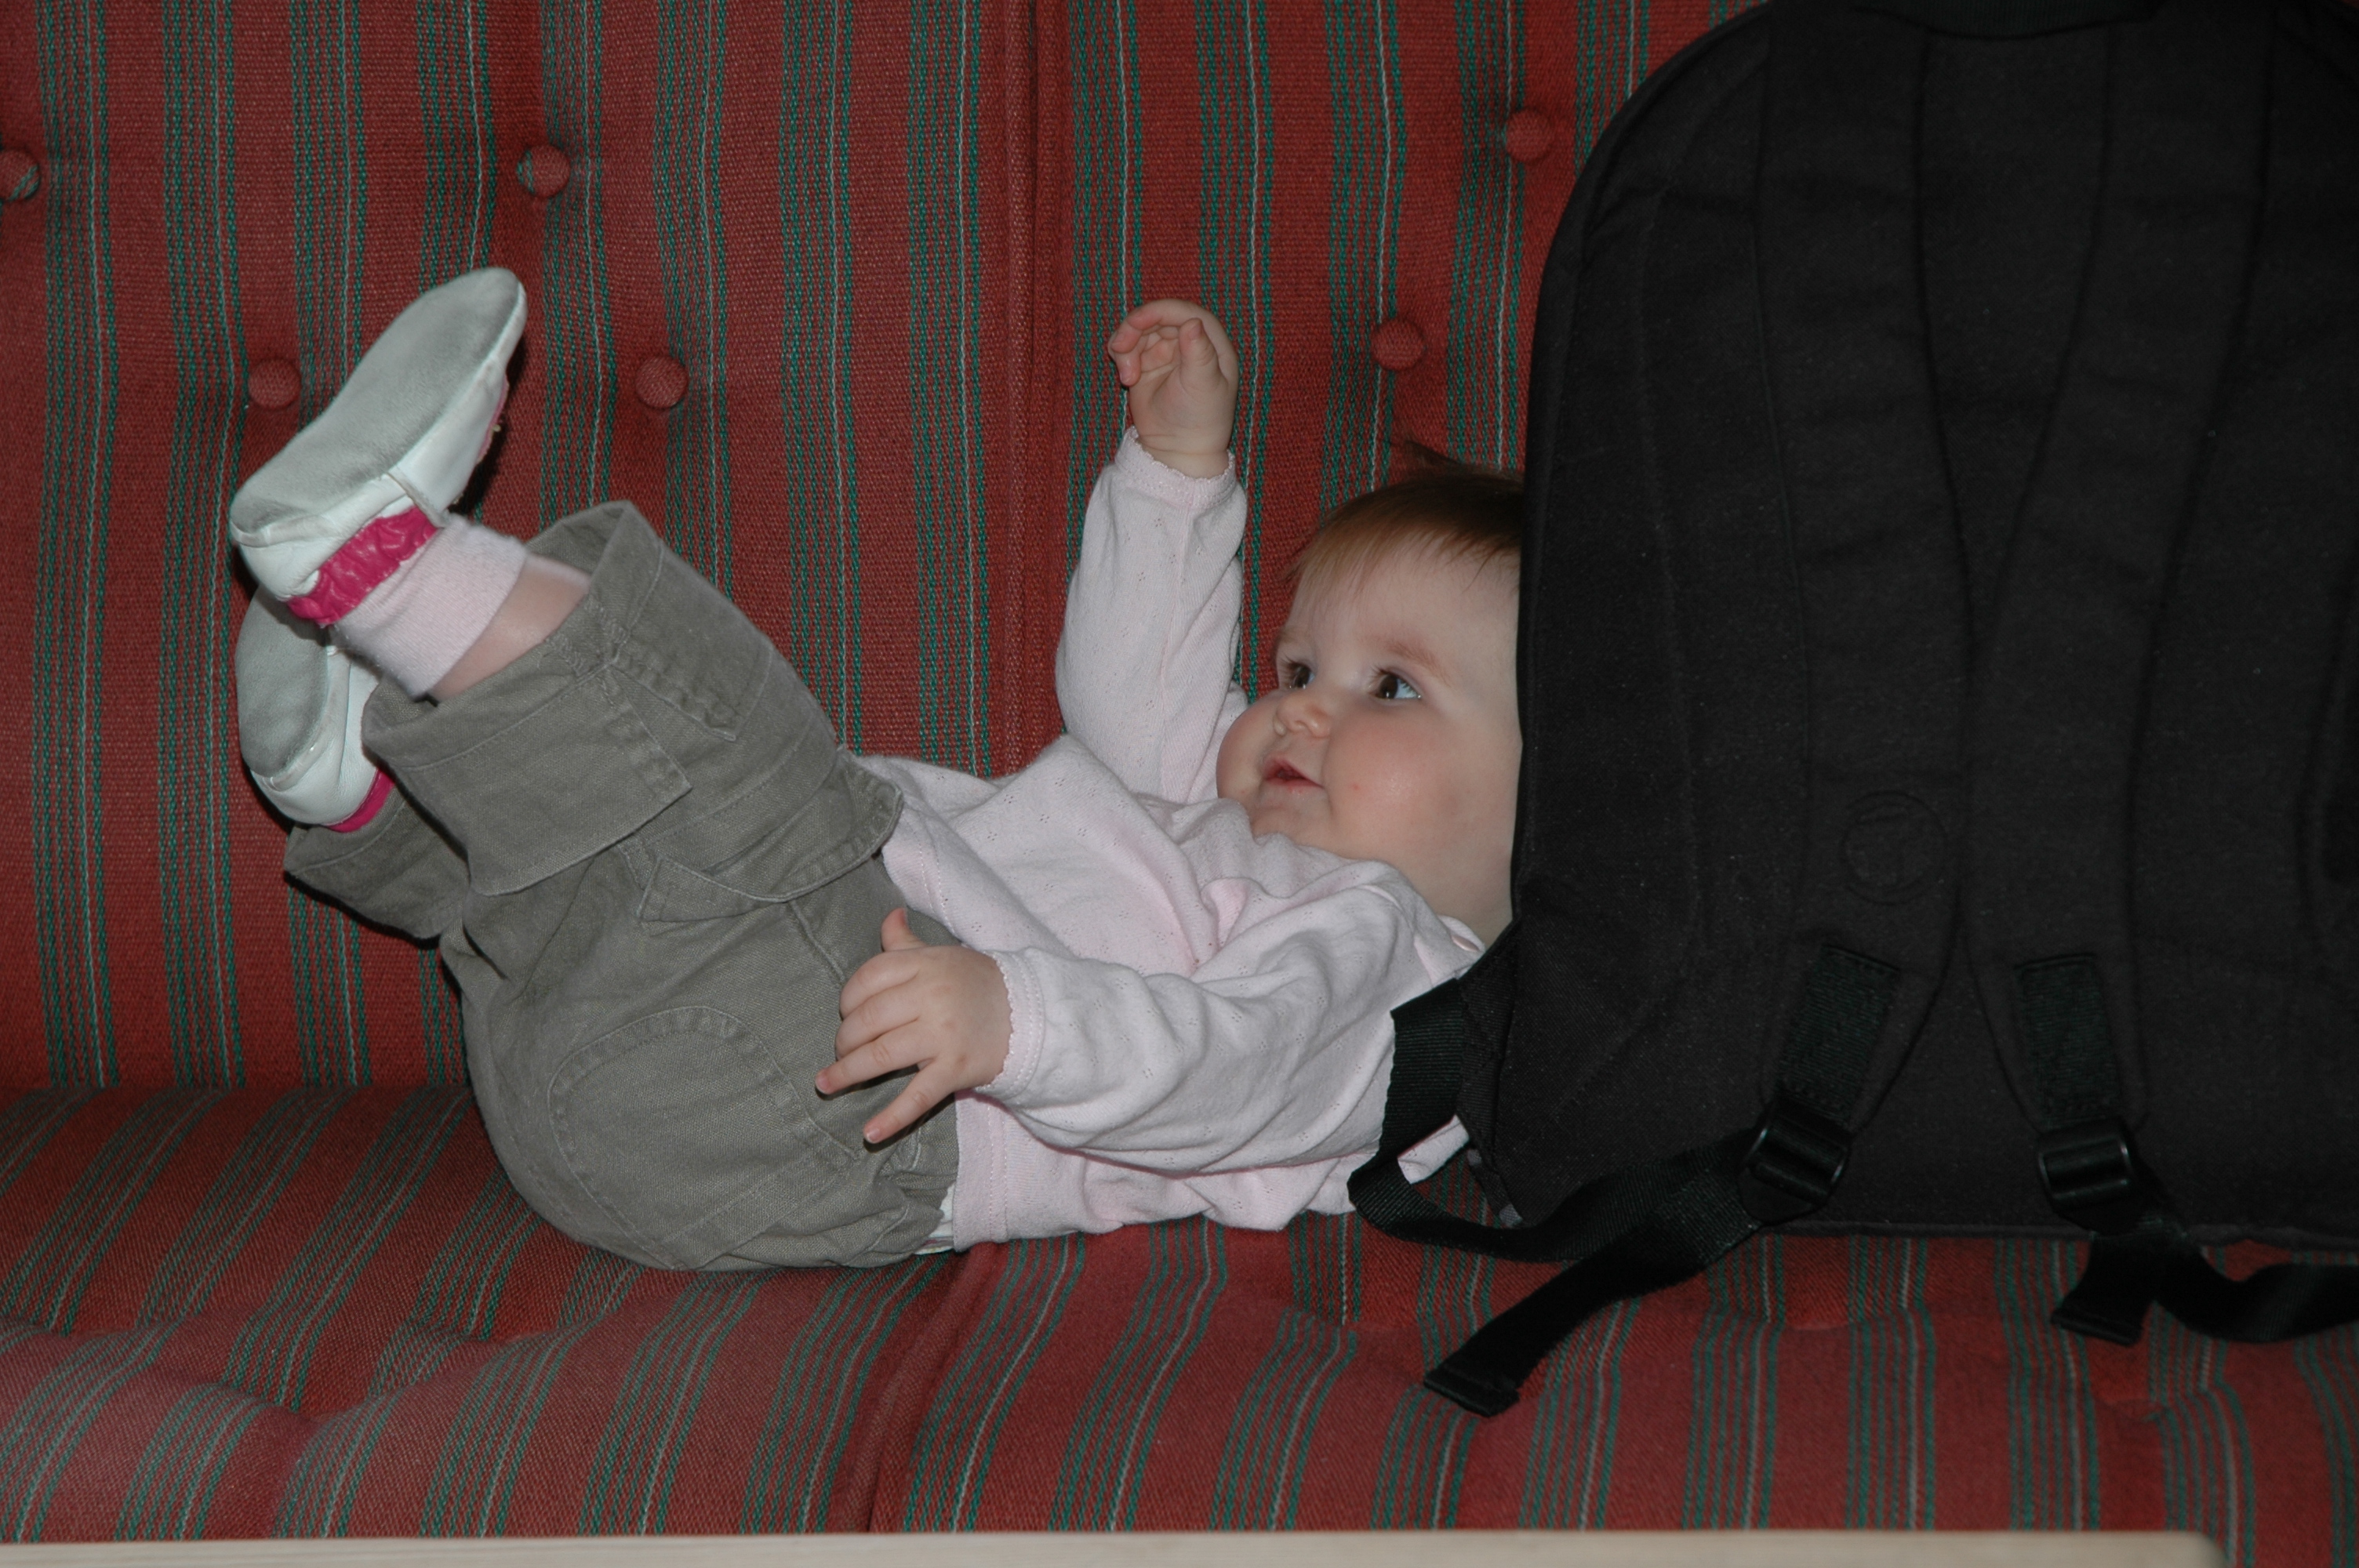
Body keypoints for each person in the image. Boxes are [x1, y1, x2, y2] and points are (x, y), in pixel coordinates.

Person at [231, 267, 1521, 1271]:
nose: (1301, 712)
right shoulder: (1225, 822)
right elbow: (1140, 698)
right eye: (1297, 669)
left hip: (852, 1108)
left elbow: (1242, 1062)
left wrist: (1020, 1026)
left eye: (1392, 688)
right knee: (600, 858)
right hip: (637, 1097)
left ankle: (379, 567)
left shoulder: (1402, 965)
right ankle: (371, 794)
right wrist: (1180, 473)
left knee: (722, 749)